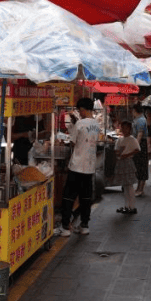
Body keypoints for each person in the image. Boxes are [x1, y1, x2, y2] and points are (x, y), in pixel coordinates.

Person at [55, 97, 101, 237]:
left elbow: (72, 143)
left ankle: (65, 227)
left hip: (76, 166)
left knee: (68, 197)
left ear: (82, 109)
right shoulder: (97, 124)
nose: (79, 113)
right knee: (85, 197)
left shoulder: (80, 124)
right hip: (89, 166)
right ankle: (84, 225)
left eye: (79, 110)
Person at [113, 120, 140, 215]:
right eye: (122, 128)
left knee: (129, 186)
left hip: (128, 162)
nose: (124, 130)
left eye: (126, 128)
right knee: (125, 185)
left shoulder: (132, 139)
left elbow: (137, 149)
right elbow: (116, 150)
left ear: (130, 129)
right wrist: (120, 154)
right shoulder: (120, 140)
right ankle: (127, 206)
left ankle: (132, 206)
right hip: (121, 162)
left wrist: (126, 154)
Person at [131, 104, 149, 198]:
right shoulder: (138, 119)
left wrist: (136, 146)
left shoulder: (141, 120)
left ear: (135, 110)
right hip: (139, 143)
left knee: (142, 167)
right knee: (138, 167)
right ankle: (138, 188)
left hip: (141, 144)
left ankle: (141, 189)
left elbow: (140, 134)